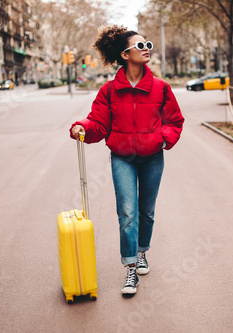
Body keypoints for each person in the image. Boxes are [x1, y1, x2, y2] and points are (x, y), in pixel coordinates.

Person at [69, 25, 184, 295]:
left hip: (153, 157)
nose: (147, 50)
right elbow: (98, 122)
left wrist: (162, 139)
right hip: (122, 158)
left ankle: (142, 251)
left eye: (148, 45)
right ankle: (131, 269)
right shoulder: (109, 91)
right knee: (128, 214)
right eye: (140, 46)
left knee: (147, 212)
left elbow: (175, 121)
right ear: (124, 54)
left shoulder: (161, 88)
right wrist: (82, 127)